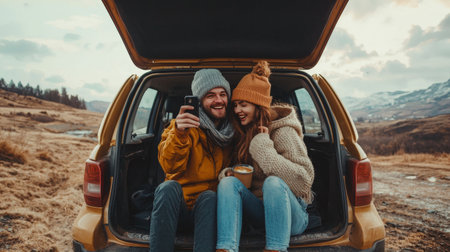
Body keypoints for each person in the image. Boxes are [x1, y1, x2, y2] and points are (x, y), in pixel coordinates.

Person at [216, 61, 315, 252]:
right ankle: (226, 248)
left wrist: (263, 148)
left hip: (292, 217)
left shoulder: (283, 131)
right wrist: (228, 174)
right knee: (228, 183)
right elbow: (239, 173)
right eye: (235, 105)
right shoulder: (244, 132)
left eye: (243, 105)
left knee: (273, 183)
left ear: (259, 106)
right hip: (260, 212)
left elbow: (303, 181)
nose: (237, 111)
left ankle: (275, 248)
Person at [150, 69, 235, 252]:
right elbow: (169, 166)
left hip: (209, 211)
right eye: (210, 95)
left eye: (222, 94)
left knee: (209, 196)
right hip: (177, 210)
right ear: (199, 100)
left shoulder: (233, 132)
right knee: (167, 187)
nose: (219, 100)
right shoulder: (179, 128)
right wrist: (180, 133)